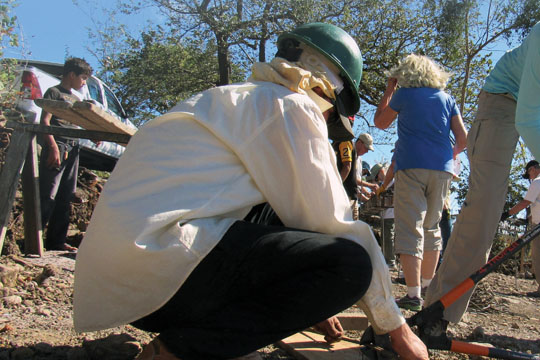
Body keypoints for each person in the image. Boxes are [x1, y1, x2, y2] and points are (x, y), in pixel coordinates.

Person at [73, 23, 428, 360]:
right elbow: (337, 228)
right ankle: (183, 349)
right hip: (160, 277)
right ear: (325, 90)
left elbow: (285, 225)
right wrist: (397, 330)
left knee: (274, 211)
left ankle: (191, 337)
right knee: (349, 264)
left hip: (123, 284)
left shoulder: (228, 101)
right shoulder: (289, 105)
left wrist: (300, 298)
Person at [424, 21, 540, 337]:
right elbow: (528, 118)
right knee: (485, 208)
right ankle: (438, 312)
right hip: (503, 103)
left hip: (530, 109)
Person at [374, 54, 467, 311]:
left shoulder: (403, 94)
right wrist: (450, 156)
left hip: (411, 165)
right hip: (442, 169)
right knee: (432, 227)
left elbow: (380, 122)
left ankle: (413, 295)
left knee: (409, 226)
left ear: (406, 74)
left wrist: (389, 90)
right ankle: (428, 289)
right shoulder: (447, 99)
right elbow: (463, 139)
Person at [39, 57, 93, 251]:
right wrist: (52, 147)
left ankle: (56, 241)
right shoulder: (54, 92)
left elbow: (79, 124)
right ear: (72, 75)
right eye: (83, 77)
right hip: (58, 144)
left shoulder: (75, 99)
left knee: (65, 195)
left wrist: (93, 134)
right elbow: (45, 121)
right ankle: (34, 241)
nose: (84, 82)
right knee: (48, 193)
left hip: (73, 146)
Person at [501, 160, 540, 297]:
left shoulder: (537, 182)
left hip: (539, 227)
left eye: (529, 173)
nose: (529, 177)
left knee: (537, 256)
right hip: (536, 223)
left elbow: (525, 202)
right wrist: (526, 219)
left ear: (534, 169)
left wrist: (507, 214)